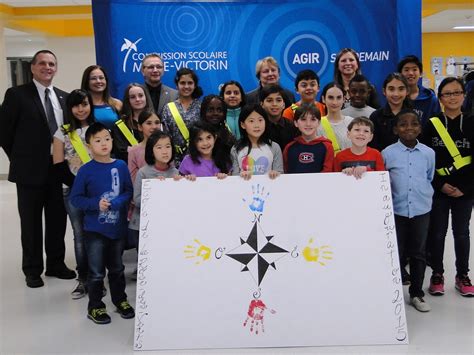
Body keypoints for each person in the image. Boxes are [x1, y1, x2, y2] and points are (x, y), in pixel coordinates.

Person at [0, 49, 76, 288]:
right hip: (29, 171)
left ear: (56, 68)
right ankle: (32, 270)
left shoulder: (64, 97)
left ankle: (56, 264)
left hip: (57, 169)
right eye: (42, 63)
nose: (47, 67)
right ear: (32, 67)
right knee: (31, 223)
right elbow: (4, 132)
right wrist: (21, 158)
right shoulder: (16, 95)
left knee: (57, 219)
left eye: (52, 64)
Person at [70, 122, 134, 324]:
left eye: (107, 139)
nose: (104, 143)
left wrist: (115, 203)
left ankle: (120, 300)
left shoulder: (121, 166)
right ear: (89, 146)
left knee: (117, 269)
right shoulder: (85, 171)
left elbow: (128, 192)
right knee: (96, 272)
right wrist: (95, 204)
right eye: (97, 141)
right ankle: (95, 306)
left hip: (117, 230)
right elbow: (76, 198)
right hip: (94, 231)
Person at [422, 77, 474, 297]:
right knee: (437, 233)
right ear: (440, 98)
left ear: (464, 95)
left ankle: (462, 274)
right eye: (447, 94)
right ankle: (437, 274)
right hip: (439, 190)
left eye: (456, 93)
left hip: (466, 191)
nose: (452, 97)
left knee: (462, 233)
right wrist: (441, 185)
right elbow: (424, 159)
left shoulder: (472, 122)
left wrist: (465, 187)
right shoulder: (432, 124)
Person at [382, 109, 435, 312]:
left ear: (420, 128)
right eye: (403, 124)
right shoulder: (387, 153)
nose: (409, 128)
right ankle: (392, 293)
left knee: (418, 253)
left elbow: (429, 177)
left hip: (421, 210)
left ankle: (416, 293)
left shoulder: (429, 154)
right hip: (396, 211)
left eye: (414, 124)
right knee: (395, 251)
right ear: (396, 129)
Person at [52, 89, 95, 299]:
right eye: (76, 105)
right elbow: (59, 166)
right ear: (69, 108)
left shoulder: (99, 130)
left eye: (85, 104)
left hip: (98, 192)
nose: (81, 109)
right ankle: (83, 279)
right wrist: (80, 186)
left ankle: (98, 279)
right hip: (73, 192)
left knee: (97, 235)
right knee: (80, 235)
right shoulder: (62, 133)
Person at [129, 131, 180, 260]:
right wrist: (156, 191)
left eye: (168, 146)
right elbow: (137, 199)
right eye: (159, 147)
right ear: (151, 151)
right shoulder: (143, 172)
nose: (164, 151)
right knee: (147, 258)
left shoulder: (175, 173)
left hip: (166, 224)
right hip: (143, 225)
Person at [161, 68, 203, 166]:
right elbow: (165, 135)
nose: (186, 86)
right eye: (183, 83)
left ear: (195, 85)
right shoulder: (168, 108)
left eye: (190, 83)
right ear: (177, 85)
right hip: (174, 161)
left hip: (198, 158)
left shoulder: (202, 107)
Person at [230, 104, 283, 180]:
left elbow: (281, 174)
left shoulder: (274, 147)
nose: (257, 125)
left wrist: (275, 174)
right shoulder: (236, 149)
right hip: (244, 190)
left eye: (260, 120)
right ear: (243, 125)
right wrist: (240, 176)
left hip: (268, 190)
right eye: (251, 121)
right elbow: (234, 177)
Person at [283, 103, 334, 174]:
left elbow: (327, 173)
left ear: (319, 122)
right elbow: (285, 173)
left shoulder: (327, 146)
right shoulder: (289, 148)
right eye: (303, 119)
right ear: (296, 123)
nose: (308, 124)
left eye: (313, 119)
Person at [370, 73, 412, 152]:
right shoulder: (375, 116)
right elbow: (372, 147)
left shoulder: (413, 117)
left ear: (407, 91)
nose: (396, 94)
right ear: (384, 91)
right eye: (391, 89)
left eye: (401, 89)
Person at [112, 83, 153, 162]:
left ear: (146, 98)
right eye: (132, 97)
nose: (137, 99)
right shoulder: (120, 125)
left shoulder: (156, 121)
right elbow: (120, 152)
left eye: (140, 95)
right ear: (128, 100)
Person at [397, 55, 441, 127]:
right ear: (400, 74)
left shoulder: (431, 99)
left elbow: (438, 126)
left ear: (420, 73)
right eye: (406, 70)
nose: (411, 73)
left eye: (414, 69)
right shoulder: (396, 98)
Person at [80, 65, 122, 129]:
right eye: (93, 78)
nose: (98, 81)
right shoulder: (80, 106)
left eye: (101, 78)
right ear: (87, 82)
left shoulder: (117, 104)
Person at [318, 82, 354, 154]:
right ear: (323, 99)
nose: (335, 102)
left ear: (344, 99)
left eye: (339, 97)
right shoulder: (317, 124)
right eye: (330, 97)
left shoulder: (352, 122)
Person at [260, 85, 299, 151]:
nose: (274, 104)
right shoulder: (259, 127)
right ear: (262, 104)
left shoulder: (293, 127)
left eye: (278, 100)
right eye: (269, 100)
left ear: (283, 104)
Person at [128, 110, 162, 182]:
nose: (154, 126)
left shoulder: (167, 148)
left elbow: (171, 171)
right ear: (140, 127)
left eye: (157, 123)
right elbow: (133, 180)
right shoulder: (133, 151)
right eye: (149, 123)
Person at [200, 94, 235, 160]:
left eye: (219, 110)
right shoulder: (196, 135)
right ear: (203, 112)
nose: (215, 113)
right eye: (210, 110)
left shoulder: (229, 137)